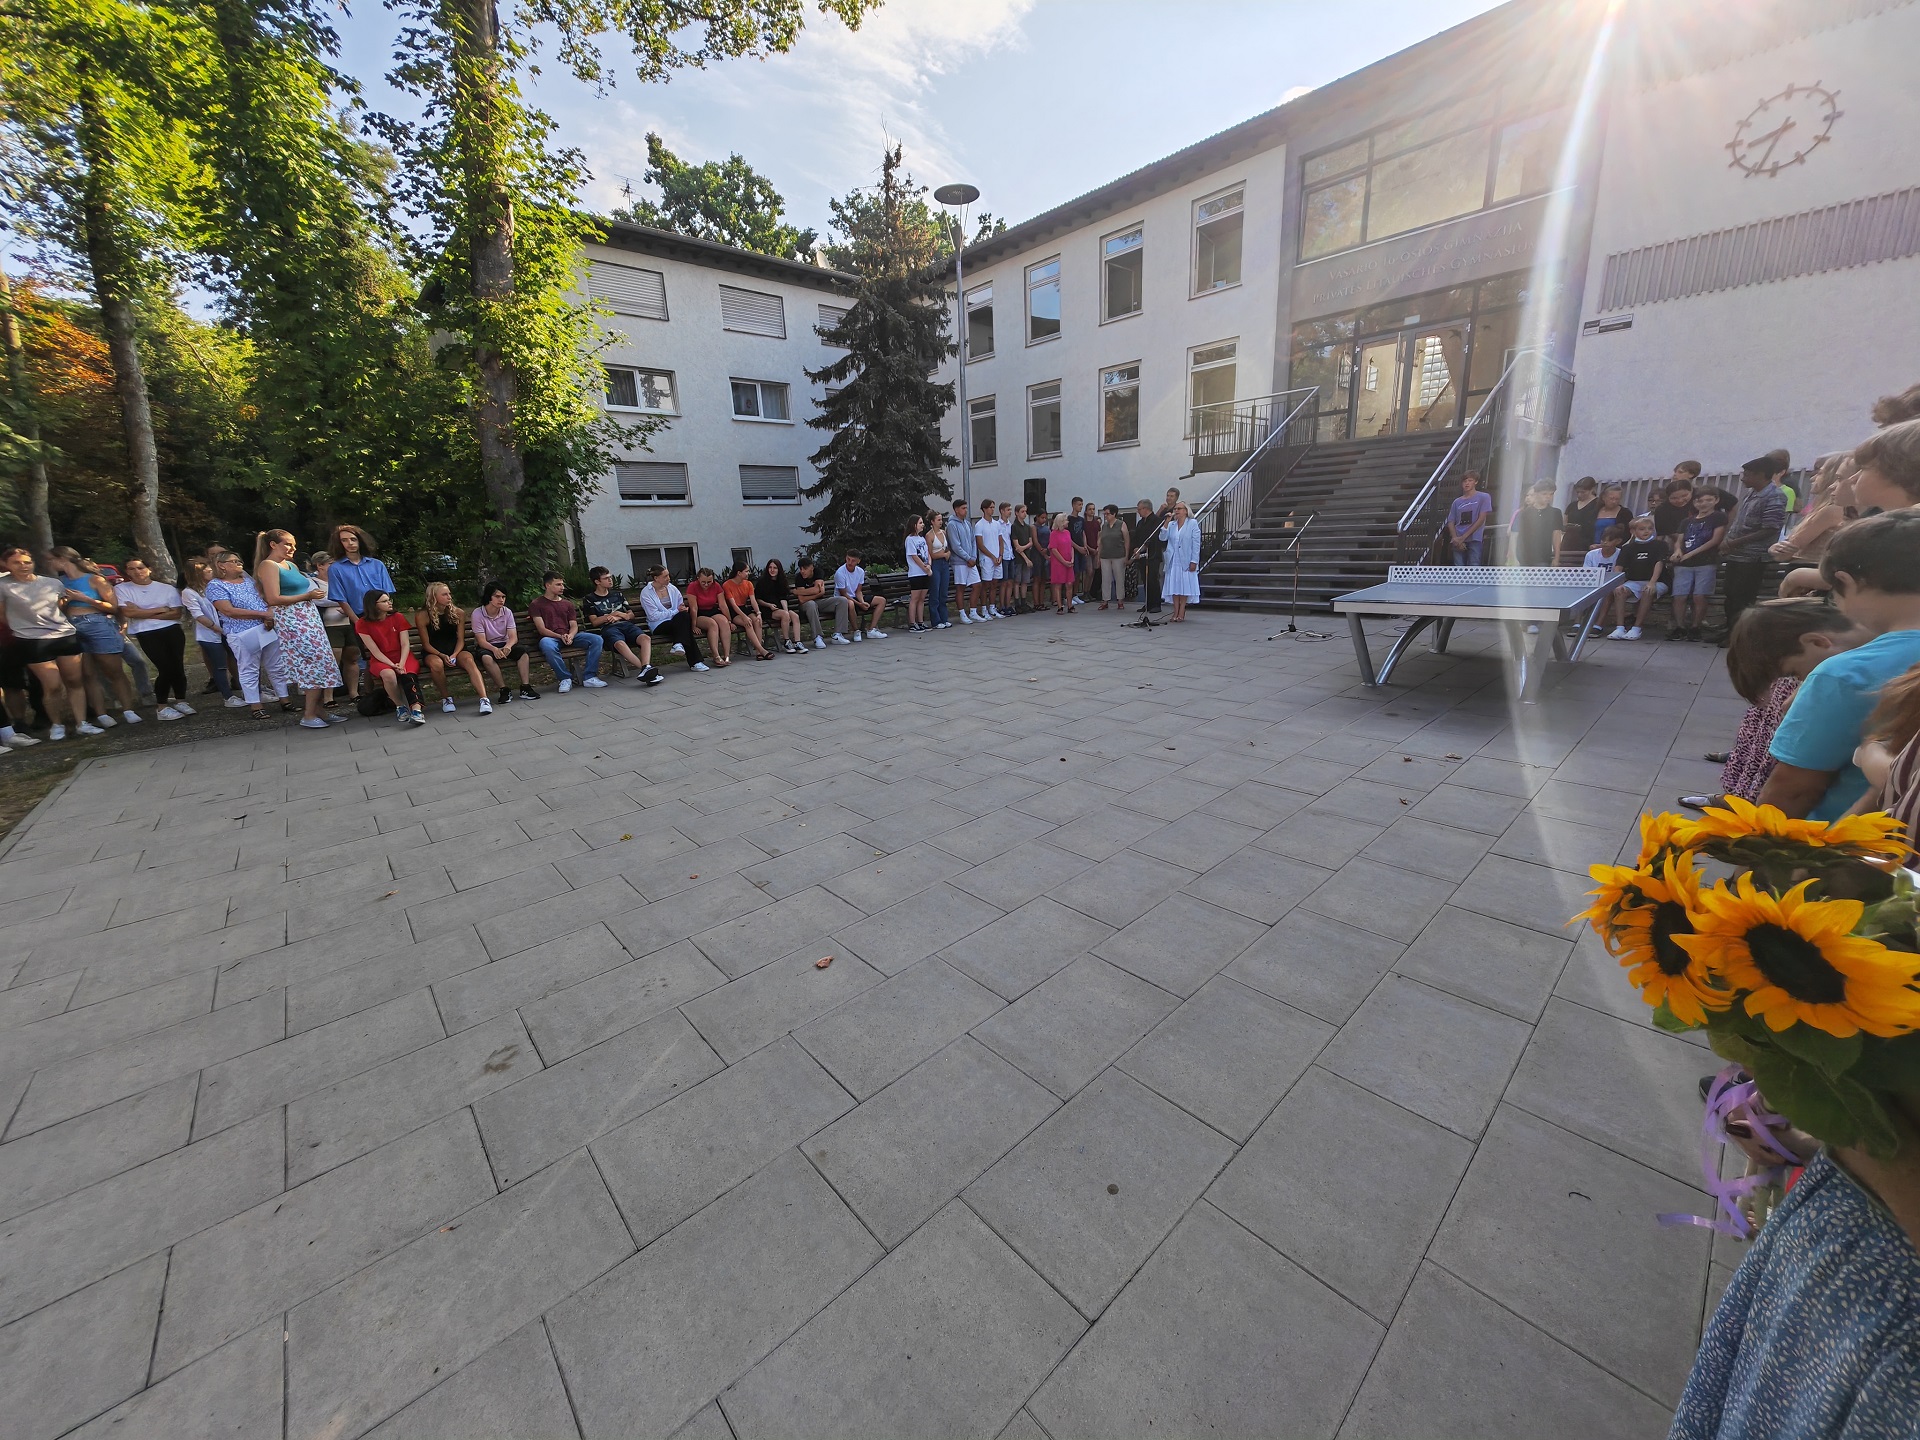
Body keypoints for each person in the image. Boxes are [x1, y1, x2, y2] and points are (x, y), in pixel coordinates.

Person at [1758, 511, 1920, 820]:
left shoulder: (1845, 673)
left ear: (1845, 582)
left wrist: (1753, 858)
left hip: (1835, 850)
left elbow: (1793, 790)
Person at [1691, 599, 1873, 811]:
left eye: (1794, 674)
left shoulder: (1838, 680)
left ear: (1817, 642)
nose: (1798, 681)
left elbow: (1793, 790)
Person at [1779, 419, 1920, 598]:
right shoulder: (1892, 521)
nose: (1853, 479)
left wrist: (1796, 577)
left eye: (1864, 469)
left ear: (1900, 472)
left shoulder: (1898, 531)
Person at [0, 545, 96, 738]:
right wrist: (23, 627)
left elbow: (61, 607)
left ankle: (81, 723)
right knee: (52, 685)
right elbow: (2, 616)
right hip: (32, 640)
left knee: (74, 681)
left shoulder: (52, 583)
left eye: (27, 562)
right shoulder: (3, 586)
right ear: (7, 565)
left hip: (64, 635)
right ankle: (57, 724)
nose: (23, 566)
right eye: (16, 563)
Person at [256, 529, 344, 729]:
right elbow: (273, 598)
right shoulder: (269, 565)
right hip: (292, 620)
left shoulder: (291, 565)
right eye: (287, 544)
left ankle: (320, 711)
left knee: (322, 661)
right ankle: (309, 714)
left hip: (309, 618)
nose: (292, 548)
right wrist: (307, 596)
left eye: (293, 544)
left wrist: (309, 598)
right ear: (273, 544)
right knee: (311, 664)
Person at [46, 547, 141, 728]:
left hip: (97, 623)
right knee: (87, 674)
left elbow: (113, 607)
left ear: (63, 559)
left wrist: (86, 599)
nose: (49, 564)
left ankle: (128, 709)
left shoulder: (95, 579)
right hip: (72, 626)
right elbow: (60, 610)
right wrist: (64, 603)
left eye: (51, 559)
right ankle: (101, 713)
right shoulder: (60, 582)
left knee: (113, 670)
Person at [1712, 456, 1789, 643]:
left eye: (1747, 475)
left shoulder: (1775, 496)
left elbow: (1770, 528)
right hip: (1736, 554)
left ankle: (1739, 636)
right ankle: (1730, 629)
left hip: (1753, 557)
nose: (1742, 478)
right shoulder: (1752, 493)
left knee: (1742, 597)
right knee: (1730, 594)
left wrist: (1734, 543)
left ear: (1761, 475)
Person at [205, 550, 289, 719]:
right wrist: (263, 615)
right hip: (241, 632)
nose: (239, 564)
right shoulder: (216, 585)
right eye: (233, 561)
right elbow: (228, 610)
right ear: (221, 565)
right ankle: (255, 705)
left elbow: (265, 599)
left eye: (239, 560)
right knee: (249, 669)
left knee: (276, 666)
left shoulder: (248, 581)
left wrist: (269, 614)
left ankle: (285, 700)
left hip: (265, 628)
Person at [113, 557, 191, 720]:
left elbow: (176, 613)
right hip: (147, 633)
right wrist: (162, 609)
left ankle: (181, 700)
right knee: (165, 668)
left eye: (140, 567)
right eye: (131, 568)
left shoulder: (166, 588)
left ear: (149, 569)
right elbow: (129, 613)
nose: (137, 572)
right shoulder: (122, 589)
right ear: (126, 572)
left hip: (172, 630)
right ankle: (161, 707)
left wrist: (143, 611)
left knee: (177, 665)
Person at [324, 525, 394, 703]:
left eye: (353, 539)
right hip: (359, 616)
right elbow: (341, 598)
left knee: (384, 652)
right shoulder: (336, 569)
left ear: (360, 540)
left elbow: (387, 592)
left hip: (382, 615)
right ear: (339, 544)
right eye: (344, 540)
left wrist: (385, 616)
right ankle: (369, 695)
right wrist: (357, 622)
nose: (350, 543)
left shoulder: (376, 564)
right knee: (367, 655)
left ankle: (383, 693)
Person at [418, 581, 494, 713]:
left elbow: (460, 639)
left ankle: (484, 699)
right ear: (433, 597)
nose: (449, 597)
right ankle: (446, 698)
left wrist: (454, 654)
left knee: (469, 660)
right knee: (436, 665)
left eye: (449, 594)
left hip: (455, 649)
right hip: (434, 651)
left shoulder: (458, 613)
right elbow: (426, 644)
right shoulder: (422, 615)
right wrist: (441, 655)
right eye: (444, 594)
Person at [355, 590, 426, 727]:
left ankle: (416, 711)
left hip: (402, 656)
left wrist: (401, 663)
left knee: (408, 674)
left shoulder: (397, 617)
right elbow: (374, 651)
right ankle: (400, 706)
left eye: (389, 600)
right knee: (388, 674)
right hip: (381, 659)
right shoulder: (362, 623)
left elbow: (405, 644)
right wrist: (392, 665)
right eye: (385, 601)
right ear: (373, 605)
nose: (389, 603)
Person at [1667, 489, 1729, 640]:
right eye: (1700, 501)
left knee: (1699, 596)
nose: (1704, 504)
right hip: (1683, 564)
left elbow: (1715, 540)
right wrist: (1677, 552)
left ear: (1716, 500)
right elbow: (1679, 540)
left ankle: (1696, 627)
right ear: (1694, 503)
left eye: (1708, 500)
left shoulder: (1718, 517)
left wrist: (1690, 554)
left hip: (1706, 562)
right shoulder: (1687, 521)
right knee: (1679, 596)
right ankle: (1680, 627)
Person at [529, 572, 606, 692]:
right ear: (547, 585)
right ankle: (565, 678)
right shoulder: (536, 604)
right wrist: (560, 636)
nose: (562, 587)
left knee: (597, 639)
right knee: (546, 644)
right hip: (552, 637)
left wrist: (570, 635)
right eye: (558, 584)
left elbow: (573, 625)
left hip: (570, 636)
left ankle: (589, 677)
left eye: (562, 584)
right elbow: (542, 629)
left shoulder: (567, 604)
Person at [178, 558, 239, 708]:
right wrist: (218, 629)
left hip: (228, 628)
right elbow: (198, 615)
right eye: (206, 570)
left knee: (239, 659)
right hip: (210, 634)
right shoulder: (189, 592)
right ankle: (228, 697)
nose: (210, 571)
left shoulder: (214, 586)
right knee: (219, 665)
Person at [581, 568, 661, 682]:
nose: (610, 580)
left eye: (610, 577)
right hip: (609, 628)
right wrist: (613, 614)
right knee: (620, 644)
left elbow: (630, 615)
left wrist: (618, 615)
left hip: (626, 625)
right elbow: (594, 622)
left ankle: (646, 668)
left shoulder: (618, 594)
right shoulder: (590, 599)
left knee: (645, 638)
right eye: (606, 578)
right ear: (597, 582)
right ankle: (645, 670)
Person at [1603, 516, 1669, 639]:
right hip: (1634, 581)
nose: (1646, 531)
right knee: (1619, 591)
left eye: (1650, 528)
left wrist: (1652, 582)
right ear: (1633, 531)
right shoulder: (1628, 548)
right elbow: (1618, 567)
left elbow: (1659, 563)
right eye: (1642, 529)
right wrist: (1618, 583)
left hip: (1657, 581)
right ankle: (1620, 628)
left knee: (1647, 590)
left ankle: (1636, 628)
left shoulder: (1660, 545)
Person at [471, 582, 538, 702]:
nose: (501, 600)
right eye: (497, 597)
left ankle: (525, 687)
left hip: (505, 643)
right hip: (488, 645)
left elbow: (513, 636)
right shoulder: (478, 613)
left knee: (523, 653)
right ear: (488, 597)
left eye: (503, 597)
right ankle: (504, 689)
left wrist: (508, 646)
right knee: (486, 658)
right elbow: (481, 640)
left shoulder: (507, 612)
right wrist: (494, 649)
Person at [638, 566, 707, 671]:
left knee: (684, 616)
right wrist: (675, 612)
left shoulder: (672, 588)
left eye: (668, 575)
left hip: (677, 621)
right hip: (658, 624)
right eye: (665, 576)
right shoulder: (646, 593)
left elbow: (681, 606)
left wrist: (681, 610)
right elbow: (653, 616)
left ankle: (678, 644)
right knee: (684, 628)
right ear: (656, 578)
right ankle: (695, 662)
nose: (668, 578)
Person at [1158, 502, 1201, 621]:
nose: (1176, 510)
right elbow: (1162, 538)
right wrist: (1166, 522)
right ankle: (1175, 611)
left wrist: (1194, 561)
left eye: (1179, 508)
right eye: (1175, 508)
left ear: (1186, 511)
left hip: (1186, 559)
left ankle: (1182, 611)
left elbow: (1196, 544)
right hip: (1173, 559)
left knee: (1184, 587)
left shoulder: (1192, 523)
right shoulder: (1171, 524)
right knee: (1175, 586)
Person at [754, 558, 807, 654]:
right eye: (770, 567)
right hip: (767, 609)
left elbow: (783, 598)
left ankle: (797, 642)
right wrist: (769, 605)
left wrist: (786, 610)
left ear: (779, 569)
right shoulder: (762, 582)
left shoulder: (781, 581)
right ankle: (787, 641)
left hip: (780, 607)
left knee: (794, 616)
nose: (772, 570)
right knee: (785, 615)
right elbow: (758, 599)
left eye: (775, 568)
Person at [831, 552, 887, 642]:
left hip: (855, 596)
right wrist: (859, 604)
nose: (850, 562)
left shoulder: (860, 571)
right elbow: (843, 593)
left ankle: (871, 630)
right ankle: (856, 630)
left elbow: (858, 591)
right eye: (848, 559)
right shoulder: (840, 572)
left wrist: (862, 602)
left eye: (853, 560)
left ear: (858, 561)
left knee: (881, 600)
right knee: (851, 604)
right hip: (843, 599)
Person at [722, 563, 774, 660]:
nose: (748, 573)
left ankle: (758, 652)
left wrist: (758, 613)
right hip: (734, 611)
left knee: (756, 621)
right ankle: (762, 650)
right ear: (739, 573)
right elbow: (733, 604)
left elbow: (753, 600)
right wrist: (744, 617)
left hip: (744, 608)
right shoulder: (727, 585)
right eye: (746, 571)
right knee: (748, 623)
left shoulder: (748, 584)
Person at [1509, 480, 1565, 567]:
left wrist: (1556, 558)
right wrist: (1514, 558)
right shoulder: (1523, 513)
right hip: (1523, 557)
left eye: (1551, 494)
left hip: (1543, 557)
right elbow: (1514, 535)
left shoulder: (1555, 513)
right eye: (1544, 494)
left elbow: (1557, 536)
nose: (1548, 497)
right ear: (1536, 494)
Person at [685, 567, 731, 666]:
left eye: (709, 582)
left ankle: (726, 656)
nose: (706, 585)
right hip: (699, 613)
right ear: (698, 578)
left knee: (724, 622)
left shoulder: (717, 586)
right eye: (703, 582)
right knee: (712, 624)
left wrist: (730, 620)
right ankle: (716, 656)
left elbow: (723, 605)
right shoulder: (692, 586)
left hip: (711, 610)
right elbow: (694, 608)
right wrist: (693, 625)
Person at [1445, 472, 1493, 565]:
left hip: (1474, 538)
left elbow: (1481, 518)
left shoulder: (1484, 497)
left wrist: (1464, 537)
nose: (1467, 483)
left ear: (1475, 482)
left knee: (1474, 565)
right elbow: (1451, 520)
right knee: (1459, 568)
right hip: (1458, 538)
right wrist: (1455, 538)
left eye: (1470, 481)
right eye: (1465, 481)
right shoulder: (1457, 502)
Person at [948, 499, 981, 623]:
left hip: (970, 561)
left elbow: (973, 541)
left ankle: (973, 611)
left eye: (966, 508)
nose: (965, 510)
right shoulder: (952, 524)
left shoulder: (967, 523)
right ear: (956, 510)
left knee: (977, 585)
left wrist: (973, 557)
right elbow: (956, 546)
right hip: (959, 562)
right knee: (960, 587)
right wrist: (967, 558)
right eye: (963, 508)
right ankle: (962, 613)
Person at [1129, 499, 1162, 613]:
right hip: (1141, 556)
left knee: (1152, 579)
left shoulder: (1156, 521)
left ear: (1146, 508)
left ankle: (1156, 604)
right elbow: (1137, 537)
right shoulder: (1140, 522)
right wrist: (1135, 548)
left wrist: (1143, 548)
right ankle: (1148, 603)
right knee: (1145, 580)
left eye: (1139, 509)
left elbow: (1154, 538)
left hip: (1152, 555)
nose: (1138, 512)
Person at [976, 499, 1005, 618]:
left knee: (995, 583)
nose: (992, 510)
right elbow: (980, 544)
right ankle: (984, 609)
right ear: (984, 509)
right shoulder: (979, 525)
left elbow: (1000, 541)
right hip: (987, 559)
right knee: (986, 584)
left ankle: (992, 607)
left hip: (997, 558)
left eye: (993, 507)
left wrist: (1000, 555)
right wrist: (992, 556)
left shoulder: (996, 524)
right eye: (990, 507)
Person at [791, 559, 830, 648]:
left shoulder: (818, 572)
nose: (802, 571)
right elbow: (802, 600)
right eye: (800, 569)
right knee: (811, 604)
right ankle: (817, 637)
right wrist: (818, 593)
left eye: (805, 568)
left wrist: (797, 592)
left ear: (812, 567)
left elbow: (817, 589)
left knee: (841, 601)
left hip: (820, 602)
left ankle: (838, 634)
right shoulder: (799, 578)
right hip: (805, 606)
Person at [1097, 504, 1129, 609]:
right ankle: (1105, 600)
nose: (1105, 516)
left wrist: (1126, 555)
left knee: (1119, 578)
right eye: (1104, 514)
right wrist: (1098, 556)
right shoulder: (1104, 526)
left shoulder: (1121, 524)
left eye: (1107, 514)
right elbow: (1100, 542)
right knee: (1105, 578)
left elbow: (1126, 540)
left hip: (1118, 555)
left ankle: (1120, 600)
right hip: (1105, 555)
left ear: (1114, 514)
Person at [904, 517, 932, 632]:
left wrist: (929, 565)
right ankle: (912, 623)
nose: (922, 525)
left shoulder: (922, 538)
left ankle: (920, 622)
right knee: (915, 598)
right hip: (916, 573)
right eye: (920, 523)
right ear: (914, 525)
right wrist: (924, 568)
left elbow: (928, 553)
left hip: (925, 572)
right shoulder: (909, 540)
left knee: (922, 598)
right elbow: (914, 556)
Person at [1560, 476, 1601, 554]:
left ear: (1592, 489)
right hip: (1568, 543)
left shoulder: (1598, 504)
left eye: (1583, 492)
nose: (1579, 495)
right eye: (1577, 492)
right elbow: (1564, 523)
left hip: (1587, 544)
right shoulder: (1572, 505)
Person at [927, 514, 952, 630]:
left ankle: (944, 618)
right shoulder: (929, 535)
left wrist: (947, 554)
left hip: (944, 564)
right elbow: (931, 554)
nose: (940, 522)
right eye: (938, 520)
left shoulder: (943, 532)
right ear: (932, 521)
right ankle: (935, 620)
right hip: (936, 564)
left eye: (941, 520)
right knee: (935, 591)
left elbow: (947, 548)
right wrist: (943, 554)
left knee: (943, 591)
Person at [1008, 504, 1034, 614]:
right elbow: (1016, 546)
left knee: (1025, 581)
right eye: (1022, 511)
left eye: (1025, 511)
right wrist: (1025, 557)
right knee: (1017, 581)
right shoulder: (1014, 527)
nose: (1025, 513)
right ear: (1017, 513)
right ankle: (1017, 603)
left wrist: (1024, 548)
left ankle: (1024, 602)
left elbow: (1030, 542)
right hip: (1019, 558)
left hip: (1026, 555)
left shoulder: (1027, 527)